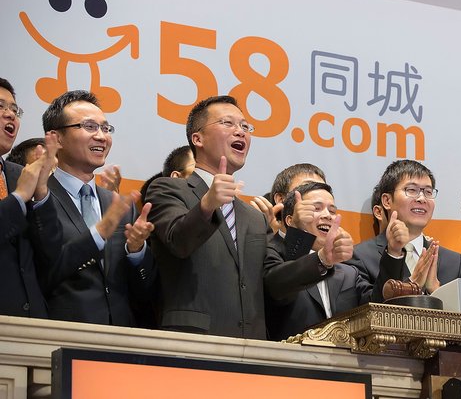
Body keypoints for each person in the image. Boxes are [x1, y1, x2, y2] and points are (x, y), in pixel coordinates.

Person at [146, 95, 270, 339]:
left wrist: (320, 260)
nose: (240, 132)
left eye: (245, 126)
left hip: (252, 346)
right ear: (198, 138)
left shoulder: (255, 218)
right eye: (228, 123)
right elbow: (178, 241)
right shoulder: (167, 189)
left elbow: (272, 282)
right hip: (192, 341)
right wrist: (207, 205)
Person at [40, 90, 157, 326]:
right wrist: (100, 231)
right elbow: (41, 273)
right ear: (57, 138)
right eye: (90, 127)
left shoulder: (121, 207)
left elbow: (145, 291)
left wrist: (136, 251)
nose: (102, 137)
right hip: (60, 334)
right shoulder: (39, 199)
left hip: (121, 337)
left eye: (105, 128)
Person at [348, 160, 461, 301]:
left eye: (428, 192)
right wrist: (410, 281)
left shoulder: (455, 262)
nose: (422, 198)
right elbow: (365, 310)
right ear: (387, 201)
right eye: (412, 190)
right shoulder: (360, 257)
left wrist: (436, 291)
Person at [264, 182, 370, 340]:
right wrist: (301, 233)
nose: (327, 215)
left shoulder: (349, 272)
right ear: (290, 220)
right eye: (315, 208)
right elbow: (279, 288)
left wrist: (393, 254)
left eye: (332, 211)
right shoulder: (269, 251)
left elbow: (374, 306)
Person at [0, 78, 60, 318]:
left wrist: (41, 193)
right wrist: (19, 197)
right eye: (0, 107)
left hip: (31, 321)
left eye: (15, 110)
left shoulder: (19, 174)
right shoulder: (23, 184)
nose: (10, 115)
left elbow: (50, 251)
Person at [252, 163, 326, 234]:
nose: (318, 194)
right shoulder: (261, 237)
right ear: (281, 199)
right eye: (308, 186)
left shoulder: (328, 239)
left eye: (324, 190)